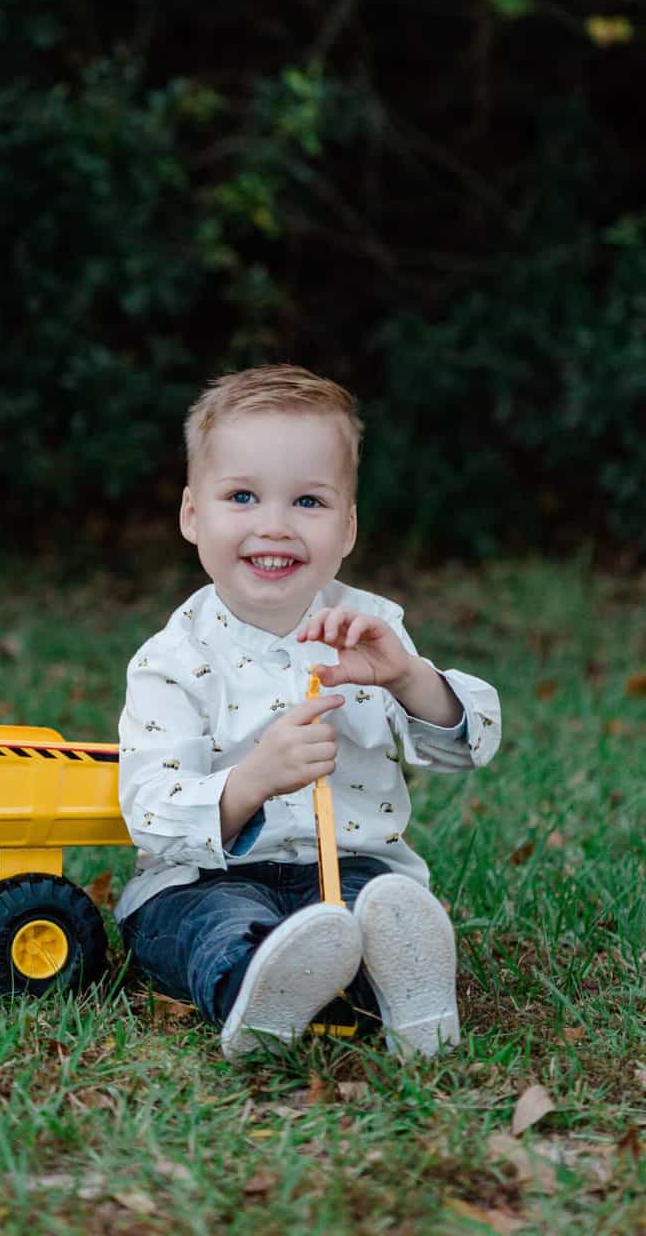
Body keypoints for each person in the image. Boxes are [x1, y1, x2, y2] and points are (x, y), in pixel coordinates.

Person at [115, 364, 501, 1061]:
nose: (275, 525)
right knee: (216, 925)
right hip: (208, 879)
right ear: (191, 515)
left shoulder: (371, 628)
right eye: (242, 496)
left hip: (351, 865)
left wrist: (409, 679)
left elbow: (466, 746)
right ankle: (257, 994)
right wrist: (251, 780)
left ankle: (404, 1001)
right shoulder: (169, 660)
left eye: (308, 502)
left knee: (371, 908)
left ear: (347, 527)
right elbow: (150, 810)